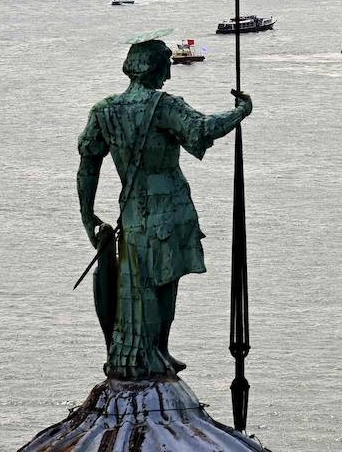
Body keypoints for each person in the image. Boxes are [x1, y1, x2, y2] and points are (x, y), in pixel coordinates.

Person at [77, 38, 252, 379]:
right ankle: (154, 351)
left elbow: (88, 166)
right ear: (154, 68)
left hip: (132, 212)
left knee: (137, 284)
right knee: (164, 284)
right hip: (169, 209)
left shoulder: (104, 111)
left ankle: (148, 351)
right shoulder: (164, 106)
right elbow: (203, 129)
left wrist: (87, 217)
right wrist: (241, 111)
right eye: (167, 65)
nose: (170, 75)